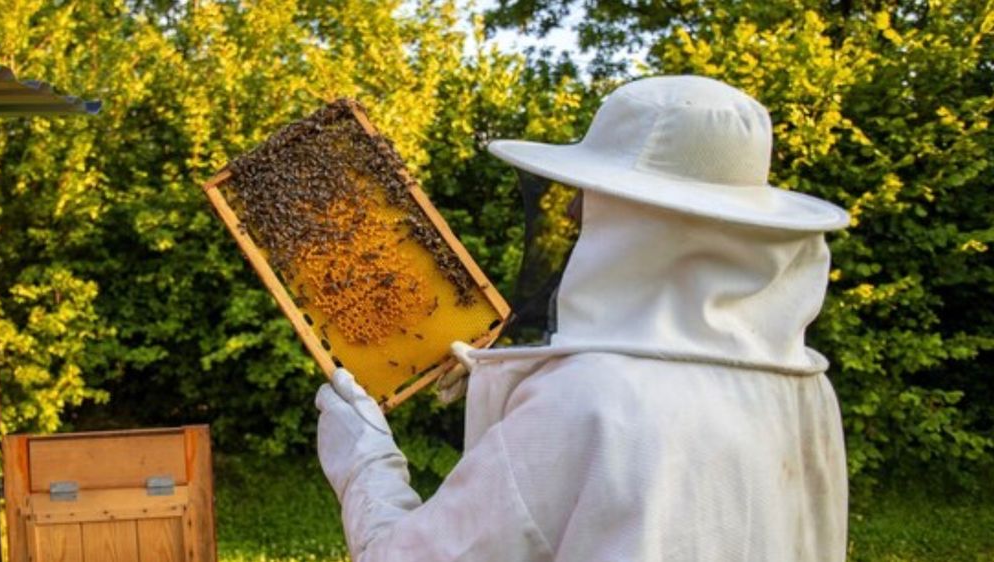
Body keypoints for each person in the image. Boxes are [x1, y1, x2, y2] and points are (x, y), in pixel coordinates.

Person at [314, 75, 851, 562]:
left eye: (591, 195)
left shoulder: (586, 402)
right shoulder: (805, 389)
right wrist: (503, 379)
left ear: (638, 218)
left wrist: (364, 459)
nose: (572, 211)